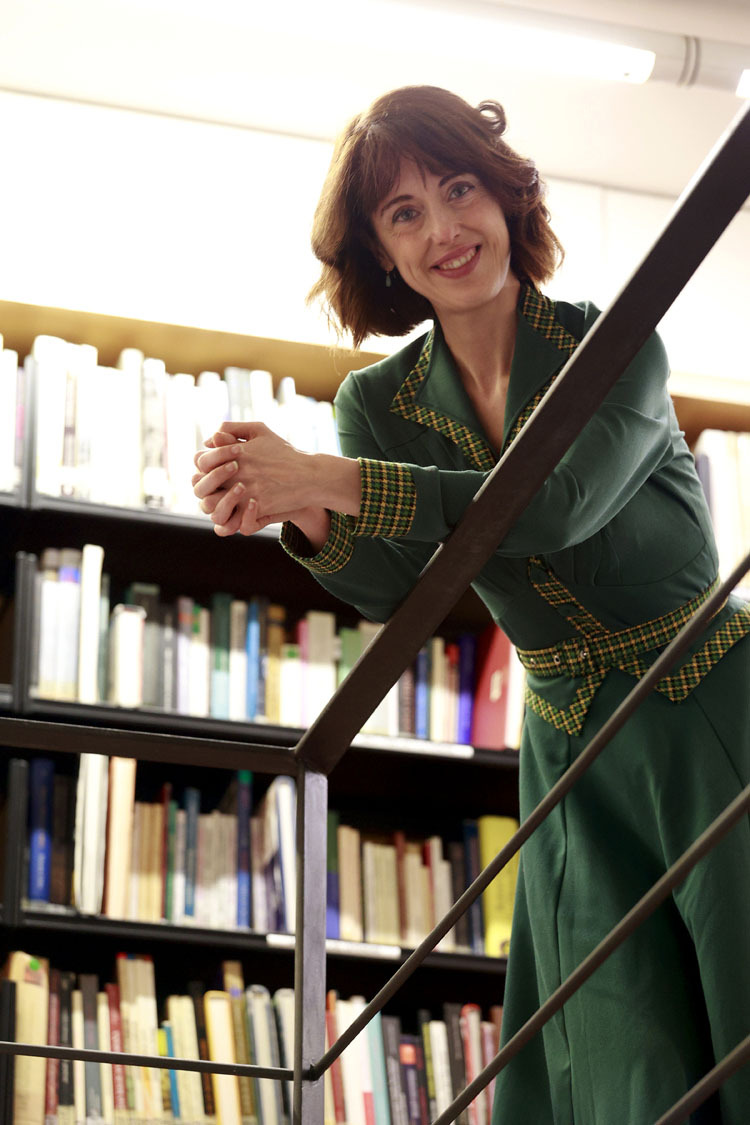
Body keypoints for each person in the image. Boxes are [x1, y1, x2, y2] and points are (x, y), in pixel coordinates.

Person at [192, 85, 750, 1123]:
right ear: (380, 252)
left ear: (505, 195)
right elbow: (395, 587)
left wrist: (325, 478)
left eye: (459, 189)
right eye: (404, 212)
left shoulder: (616, 341)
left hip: (712, 704)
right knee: (619, 1048)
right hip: (570, 749)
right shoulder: (376, 403)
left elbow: (556, 508)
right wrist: (298, 509)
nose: (443, 229)